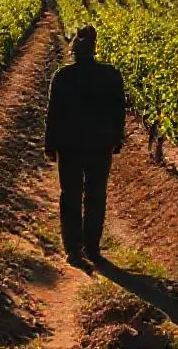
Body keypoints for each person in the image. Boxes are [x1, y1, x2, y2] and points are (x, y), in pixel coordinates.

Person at [45, 25, 126, 268]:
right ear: (94, 49)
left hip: (69, 145)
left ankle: (73, 249)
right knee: (96, 194)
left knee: (69, 195)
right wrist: (117, 139)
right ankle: (92, 247)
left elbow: (54, 113)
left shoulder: (63, 76)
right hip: (99, 144)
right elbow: (119, 111)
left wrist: (50, 144)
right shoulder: (111, 75)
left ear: (74, 52)